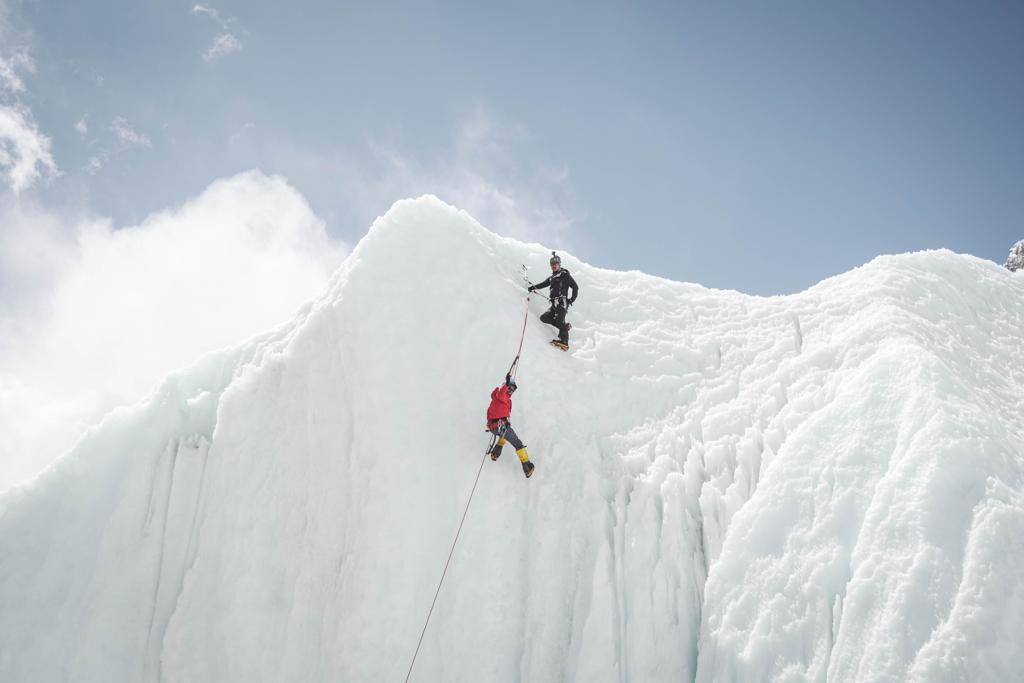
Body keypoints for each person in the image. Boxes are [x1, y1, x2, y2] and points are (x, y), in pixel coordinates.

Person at [486, 374, 534, 478]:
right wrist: (507, 384)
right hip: (500, 426)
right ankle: (527, 467)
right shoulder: (501, 395)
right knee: (518, 444)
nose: (511, 391)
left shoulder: (498, 399)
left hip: (494, 427)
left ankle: (495, 452)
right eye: (511, 389)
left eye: (513, 390)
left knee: (503, 437)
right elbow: (502, 392)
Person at [528, 252, 579, 348]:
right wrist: (531, 288)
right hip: (554, 304)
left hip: (562, 302)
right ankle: (565, 327)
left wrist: (571, 300)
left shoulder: (565, 275)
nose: (553, 266)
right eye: (552, 264)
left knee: (560, 321)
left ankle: (564, 342)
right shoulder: (551, 278)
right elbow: (542, 284)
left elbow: (575, 287)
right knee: (544, 318)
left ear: (559, 264)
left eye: (555, 264)